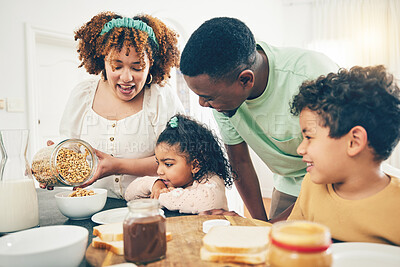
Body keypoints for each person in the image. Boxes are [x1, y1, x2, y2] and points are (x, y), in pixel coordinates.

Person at [179, 17, 339, 221]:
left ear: (245, 80)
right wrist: (259, 224)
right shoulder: (223, 99)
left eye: (208, 97)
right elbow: (240, 161)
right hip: (288, 183)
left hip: (335, 180)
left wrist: (272, 227)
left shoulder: (312, 75)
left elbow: (338, 161)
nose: (202, 103)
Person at [56, 11, 184, 198]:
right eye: (117, 66)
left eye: (137, 67)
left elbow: (178, 158)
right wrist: (55, 166)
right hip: (93, 206)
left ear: (151, 66)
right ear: (103, 61)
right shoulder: (82, 96)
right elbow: (69, 150)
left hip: (149, 206)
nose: (126, 78)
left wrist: (118, 165)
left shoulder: (160, 97)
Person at [287, 65, 400, 245]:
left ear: (354, 142)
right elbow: (290, 243)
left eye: (309, 137)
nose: (300, 149)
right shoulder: (311, 186)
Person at [124, 114, 235, 214]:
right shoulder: (166, 182)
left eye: (168, 164)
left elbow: (209, 202)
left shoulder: (210, 179)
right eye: (158, 163)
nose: (159, 171)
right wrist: (154, 184)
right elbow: (129, 194)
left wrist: (159, 197)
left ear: (195, 165)